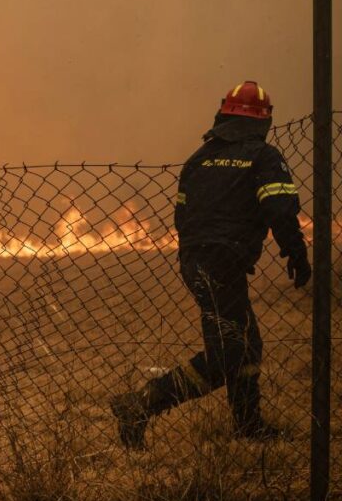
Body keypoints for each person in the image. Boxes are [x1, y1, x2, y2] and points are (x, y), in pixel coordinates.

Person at [110, 81, 311, 450]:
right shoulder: (264, 157)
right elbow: (280, 209)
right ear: (264, 121)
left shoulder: (198, 158)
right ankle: (141, 403)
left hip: (195, 260)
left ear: (224, 115)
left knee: (246, 343)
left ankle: (248, 425)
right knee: (227, 353)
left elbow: (181, 217)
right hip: (224, 263)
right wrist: (296, 253)